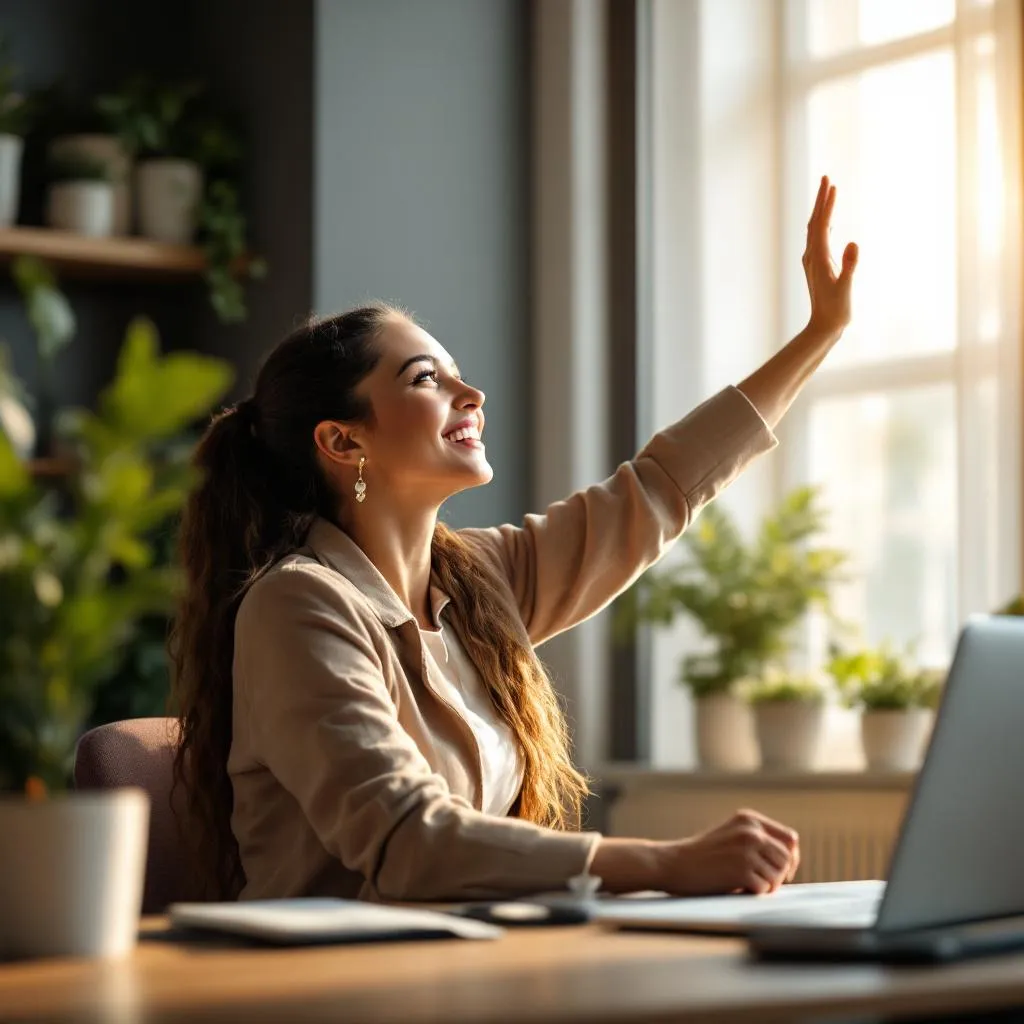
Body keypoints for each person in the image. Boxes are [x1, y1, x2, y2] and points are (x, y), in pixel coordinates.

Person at [171, 176, 858, 903]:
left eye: (460, 378)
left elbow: (660, 489)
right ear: (343, 441)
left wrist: (818, 336)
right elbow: (409, 841)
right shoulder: (297, 607)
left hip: (460, 962)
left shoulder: (477, 582)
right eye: (428, 380)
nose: (471, 397)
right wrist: (662, 863)